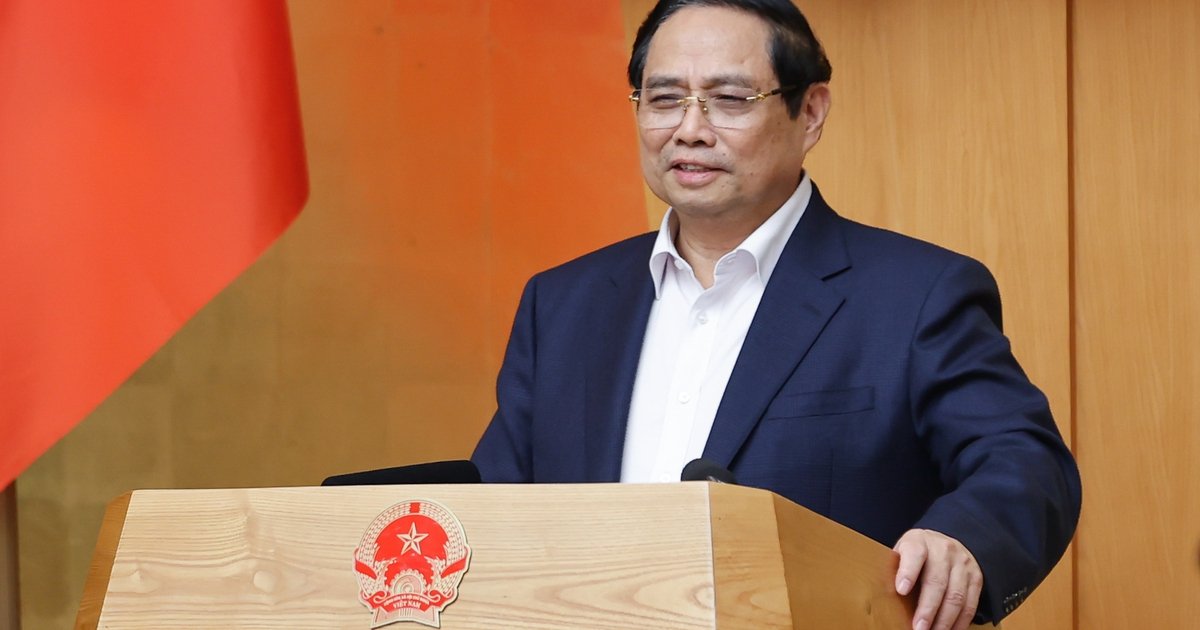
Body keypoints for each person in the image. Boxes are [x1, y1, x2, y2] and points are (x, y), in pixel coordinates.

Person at [472, 1, 1081, 628]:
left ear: (809, 112)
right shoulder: (562, 304)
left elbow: (1025, 462)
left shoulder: (916, 295)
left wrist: (963, 540)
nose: (689, 129)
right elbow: (489, 509)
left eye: (729, 100)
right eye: (664, 99)